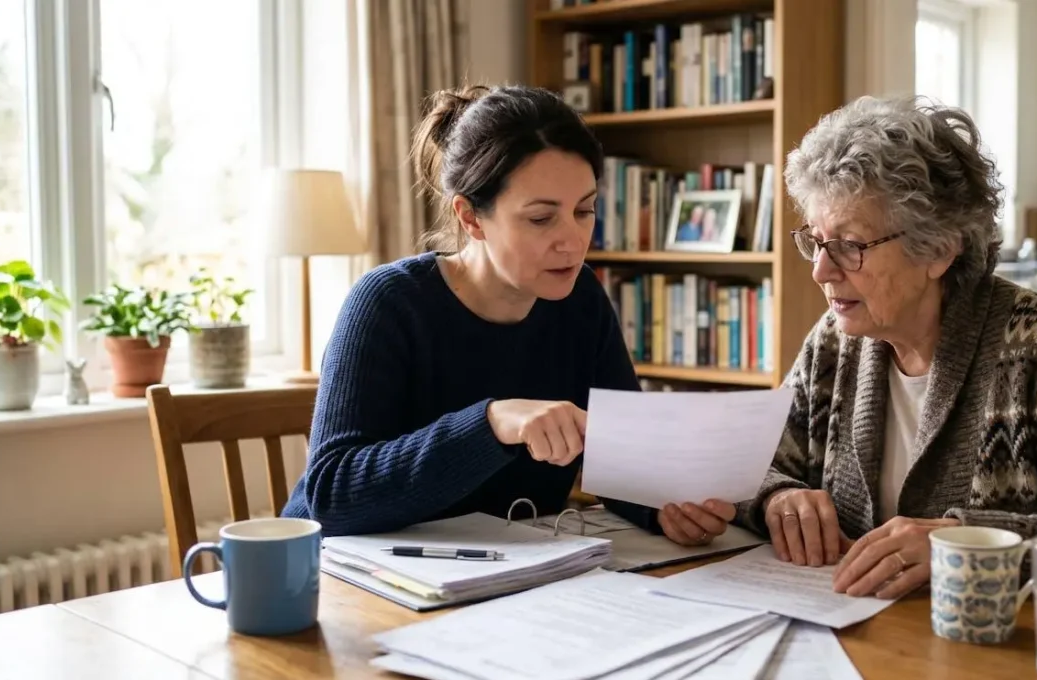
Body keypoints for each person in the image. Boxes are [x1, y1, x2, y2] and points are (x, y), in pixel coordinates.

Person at [734, 96, 1037, 598]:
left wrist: (969, 544)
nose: (821, 270)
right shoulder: (833, 342)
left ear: (939, 249)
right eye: (816, 241)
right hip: (854, 629)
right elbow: (753, 468)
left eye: (849, 245)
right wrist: (779, 497)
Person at [280, 84, 736, 547]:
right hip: (339, 573)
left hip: (507, 573)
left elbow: (622, 456)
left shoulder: (581, 301)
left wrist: (665, 509)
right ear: (470, 217)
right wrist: (492, 424)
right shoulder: (388, 302)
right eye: (541, 218)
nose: (573, 241)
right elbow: (332, 495)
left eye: (584, 210)